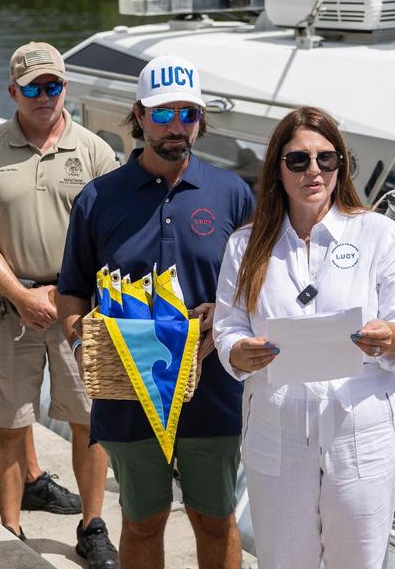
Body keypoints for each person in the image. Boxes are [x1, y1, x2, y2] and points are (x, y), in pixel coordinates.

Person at [213, 106, 395, 568]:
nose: (314, 170)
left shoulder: (378, 234)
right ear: (277, 167)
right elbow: (228, 325)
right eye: (299, 160)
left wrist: (390, 335)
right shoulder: (246, 244)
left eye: (326, 159)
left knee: (359, 560)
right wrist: (239, 351)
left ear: (339, 166)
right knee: (283, 560)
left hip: (360, 422)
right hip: (277, 423)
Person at [57, 55, 254, 569]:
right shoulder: (98, 198)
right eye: (163, 114)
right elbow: (73, 290)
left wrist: (229, 313)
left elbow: (259, 286)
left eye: (188, 114)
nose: (176, 127)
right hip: (126, 386)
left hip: (211, 388)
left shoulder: (231, 193)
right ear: (139, 115)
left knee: (214, 520)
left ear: (200, 120)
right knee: (142, 522)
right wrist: (81, 344)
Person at [0, 41, 119, 564]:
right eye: (32, 88)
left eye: (53, 86)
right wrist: (20, 294)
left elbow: (112, 236)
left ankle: (92, 527)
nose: (44, 95)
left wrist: (73, 295)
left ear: (65, 88)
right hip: (11, 304)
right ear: (13, 92)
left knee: (90, 420)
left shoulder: (94, 150)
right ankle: (10, 530)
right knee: (10, 419)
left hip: (81, 307)